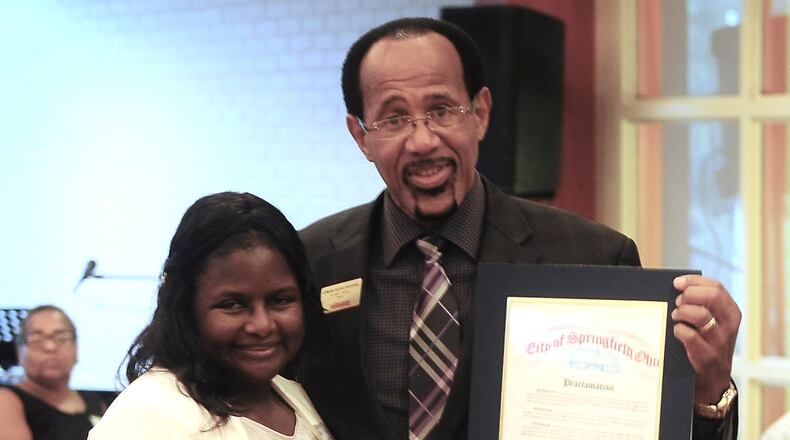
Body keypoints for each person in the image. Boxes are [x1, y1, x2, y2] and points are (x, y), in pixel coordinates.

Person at [297, 17, 742, 440]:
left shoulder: (592, 256)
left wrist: (710, 391)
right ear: (360, 137)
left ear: (481, 113)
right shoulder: (310, 262)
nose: (423, 140)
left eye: (442, 110)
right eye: (394, 119)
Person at [88, 192, 333, 439]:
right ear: (186, 306)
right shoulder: (148, 416)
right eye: (233, 304)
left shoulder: (293, 395)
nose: (262, 325)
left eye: (280, 300)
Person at [0, 305, 106, 440]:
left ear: (76, 348)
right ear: (20, 351)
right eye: (36, 338)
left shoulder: (94, 401)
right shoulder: (6, 400)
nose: (50, 347)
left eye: (62, 337)